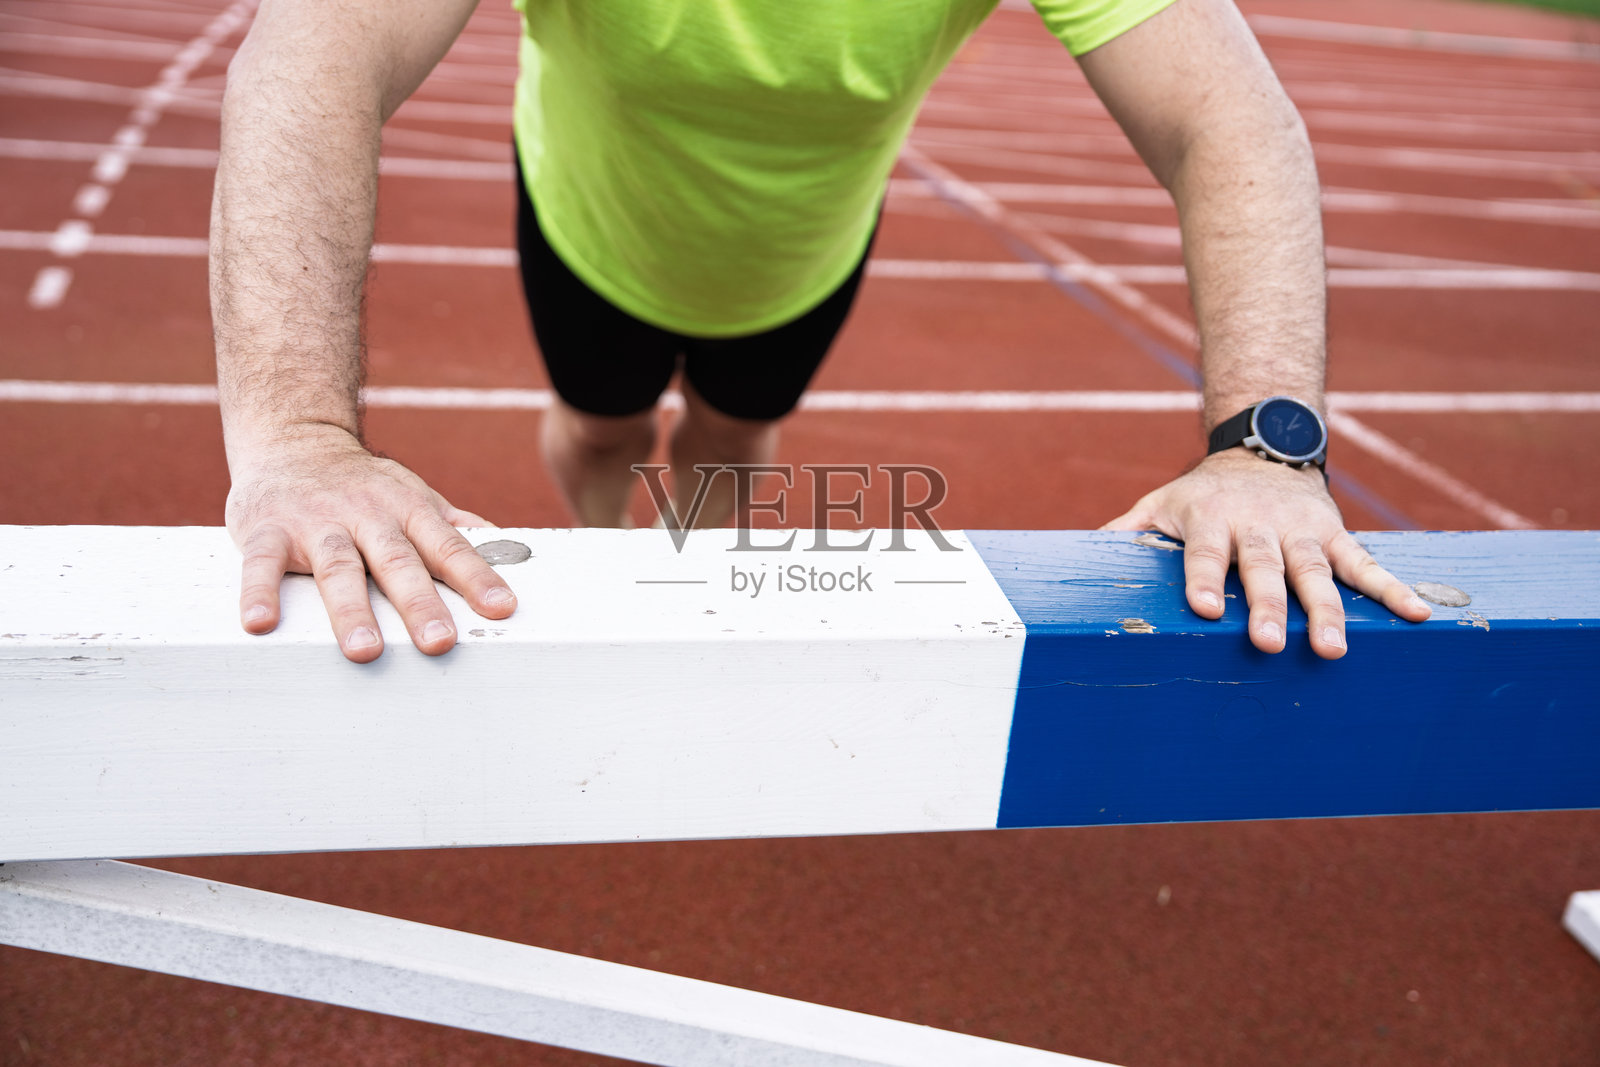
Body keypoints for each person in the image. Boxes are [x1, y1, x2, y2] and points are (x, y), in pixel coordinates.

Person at [211, 0, 1432, 665]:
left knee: (729, 439)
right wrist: (301, 436)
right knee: (601, 430)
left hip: (800, 257)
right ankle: (599, 548)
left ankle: (688, 602)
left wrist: (1265, 451)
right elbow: (315, 50)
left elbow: (1229, 123)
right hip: (593, 230)